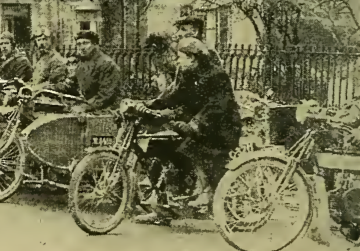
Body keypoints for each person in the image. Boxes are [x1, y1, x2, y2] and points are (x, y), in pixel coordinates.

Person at [133, 37, 242, 224]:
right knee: (159, 147)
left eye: (181, 57)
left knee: (195, 153)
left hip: (220, 129)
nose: (177, 61)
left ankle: (211, 198)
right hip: (198, 127)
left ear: (193, 58)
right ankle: (165, 206)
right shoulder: (187, 75)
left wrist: (195, 124)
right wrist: (146, 105)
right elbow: (173, 97)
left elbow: (217, 106)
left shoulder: (217, 75)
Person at [71, 31, 123, 114]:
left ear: (95, 44)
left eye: (85, 43)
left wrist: (86, 106)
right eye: (79, 44)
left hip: (109, 110)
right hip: (90, 106)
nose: (82, 47)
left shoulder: (107, 64)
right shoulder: (82, 63)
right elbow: (72, 82)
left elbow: (106, 95)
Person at [31, 29, 75, 95]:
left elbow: (53, 84)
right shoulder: (41, 59)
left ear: (51, 41)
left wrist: (35, 88)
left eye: (45, 39)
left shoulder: (57, 60)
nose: (41, 43)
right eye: (38, 40)